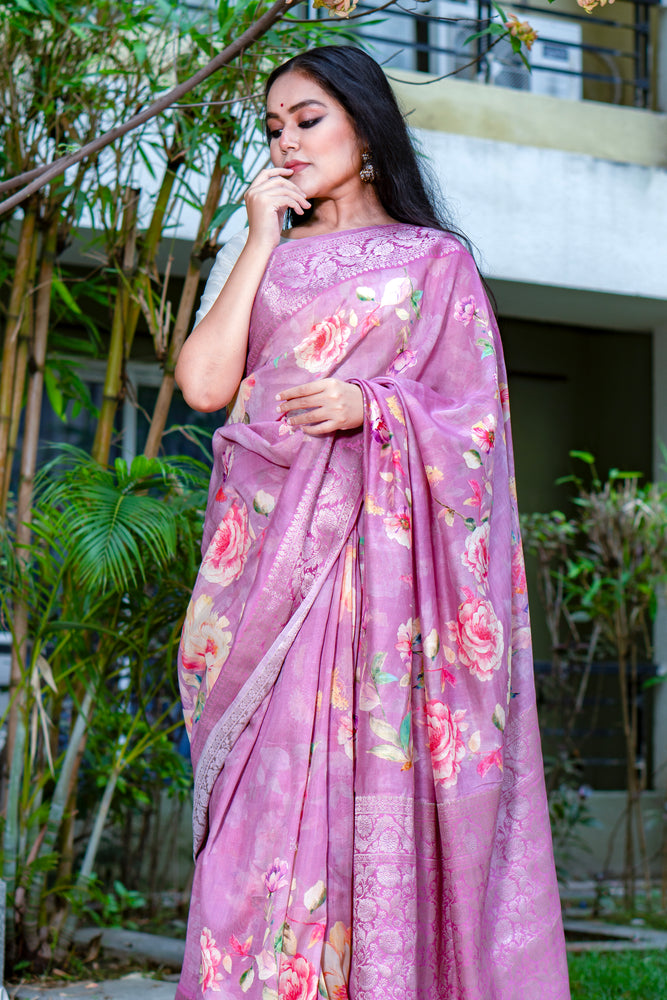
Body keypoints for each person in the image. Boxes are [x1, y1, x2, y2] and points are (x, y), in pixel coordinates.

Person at [174, 46, 570, 1000]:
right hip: (266, 570)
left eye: (307, 119)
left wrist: (374, 409)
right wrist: (257, 236)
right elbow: (204, 385)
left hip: (382, 592)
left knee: (369, 786)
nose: (287, 141)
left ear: (364, 122)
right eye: (273, 127)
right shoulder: (269, 255)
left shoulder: (435, 262)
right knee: (258, 818)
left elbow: (476, 432)